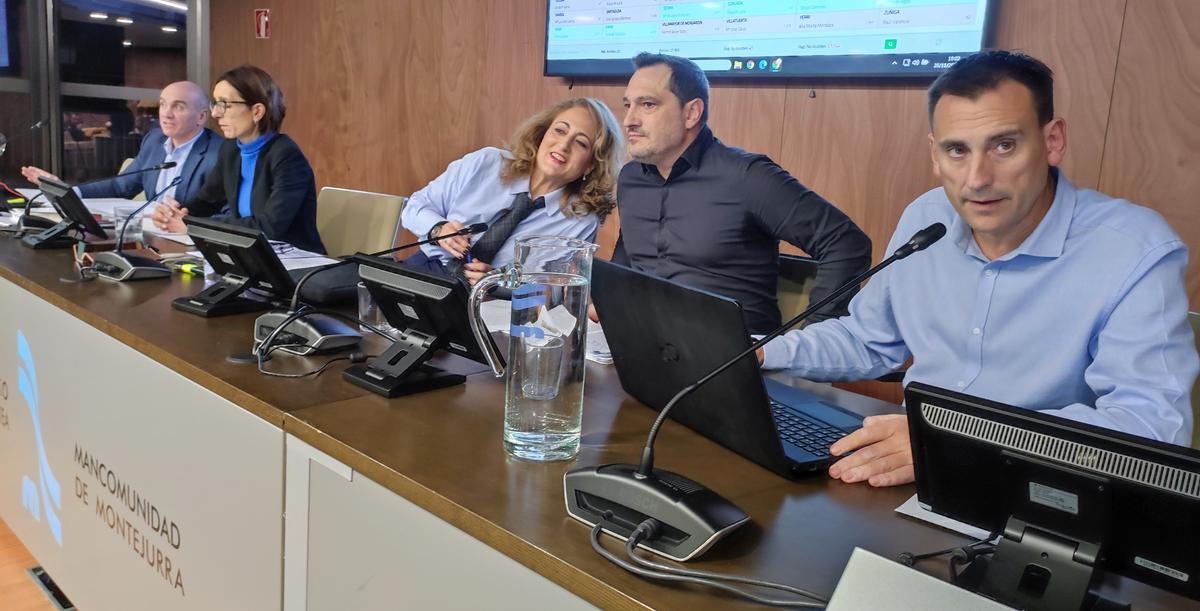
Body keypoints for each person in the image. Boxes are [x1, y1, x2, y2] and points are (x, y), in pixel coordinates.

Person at [760, 50, 1198, 487]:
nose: (977, 179)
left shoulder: (1135, 249)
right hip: (908, 468)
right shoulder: (926, 216)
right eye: (957, 150)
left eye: (1004, 145)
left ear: (1052, 141)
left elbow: (1150, 427)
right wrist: (760, 353)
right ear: (935, 154)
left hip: (1034, 487)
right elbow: (867, 339)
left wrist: (956, 441)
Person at [613, 52, 872, 334]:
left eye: (647, 105)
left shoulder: (747, 177)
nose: (629, 120)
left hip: (730, 353)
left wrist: (814, 337)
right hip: (641, 342)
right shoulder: (630, 179)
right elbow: (630, 252)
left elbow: (845, 242)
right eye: (627, 105)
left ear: (691, 113)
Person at [401, 97, 622, 284]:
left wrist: (501, 284)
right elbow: (414, 207)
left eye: (581, 143)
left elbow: (553, 292)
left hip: (492, 307)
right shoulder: (486, 162)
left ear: (592, 164)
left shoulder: (581, 222)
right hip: (423, 272)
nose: (563, 145)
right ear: (543, 134)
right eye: (559, 131)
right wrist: (438, 229)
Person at [151, 65, 324, 254]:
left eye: (225, 104)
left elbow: (269, 227)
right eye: (216, 103)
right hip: (250, 254)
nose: (216, 113)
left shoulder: (286, 156)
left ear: (257, 111)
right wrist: (177, 214)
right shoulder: (231, 149)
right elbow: (207, 201)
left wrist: (195, 226)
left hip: (295, 259)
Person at [20, 81, 220, 204]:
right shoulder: (155, 141)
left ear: (201, 117)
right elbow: (120, 186)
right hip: (151, 234)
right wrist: (68, 192)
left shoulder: (220, 153)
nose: (166, 114)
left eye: (178, 107)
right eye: (163, 104)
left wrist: (184, 223)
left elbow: (223, 214)